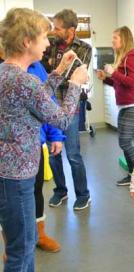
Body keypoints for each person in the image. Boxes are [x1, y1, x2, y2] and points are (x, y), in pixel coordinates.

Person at [0, 7, 88, 271]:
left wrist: (60, 69)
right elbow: (61, 119)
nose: (49, 43)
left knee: (22, 246)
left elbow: (35, 96)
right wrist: (75, 84)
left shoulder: (8, 72)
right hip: (16, 178)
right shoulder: (22, 80)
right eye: (43, 37)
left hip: (10, 174)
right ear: (27, 42)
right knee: (22, 249)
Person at [44, 9, 92, 210]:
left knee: (72, 154)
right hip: (50, 104)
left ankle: (83, 194)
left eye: (58, 28)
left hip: (71, 105)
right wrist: (55, 70)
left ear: (71, 30)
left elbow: (74, 76)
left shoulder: (84, 48)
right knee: (54, 153)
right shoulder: (50, 44)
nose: (53, 31)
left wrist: (54, 68)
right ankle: (60, 191)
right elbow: (44, 72)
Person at [97, 26, 134, 186]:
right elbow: (120, 83)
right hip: (125, 107)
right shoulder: (123, 57)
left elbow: (132, 83)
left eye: (115, 38)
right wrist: (106, 78)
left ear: (124, 40)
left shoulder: (132, 58)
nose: (112, 41)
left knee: (125, 142)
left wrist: (113, 72)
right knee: (123, 142)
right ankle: (132, 175)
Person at [28, 61, 63, 252]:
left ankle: (39, 235)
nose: (48, 43)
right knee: (9, 199)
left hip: (36, 143)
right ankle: (13, 246)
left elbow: (48, 104)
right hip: (8, 152)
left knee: (36, 190)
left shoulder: (36, 66)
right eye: (43, 37)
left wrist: (55, 135)